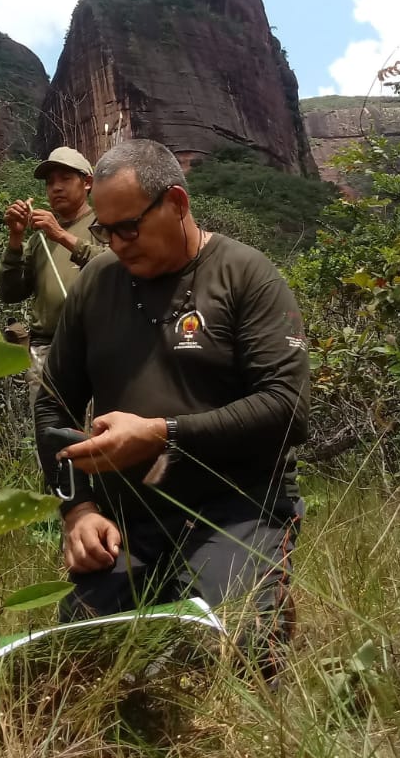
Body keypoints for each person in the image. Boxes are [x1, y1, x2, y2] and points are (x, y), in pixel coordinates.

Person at [34, 139, 309, 671]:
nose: (117, 243)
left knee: (217, 653)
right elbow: (52, 408)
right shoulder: (96, 283)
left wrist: (163, 434)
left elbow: (288, 408)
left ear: (177, 203)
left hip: (238, 505)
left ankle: (258, 596)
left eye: (129, 227)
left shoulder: (245, 275)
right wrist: (79, 510)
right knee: (82, 660)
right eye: (105, 231)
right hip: (129, 517)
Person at [0, 145, 104, 389]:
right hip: (45, 349)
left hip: (95, 345)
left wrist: (59, 234)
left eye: (65, 179)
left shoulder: (102, 224)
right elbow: (10, 293)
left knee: (95, 424)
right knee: (49, 425)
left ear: (87, 182)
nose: (56, 187)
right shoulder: (38, 239)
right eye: (50, 182)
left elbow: (116, 266)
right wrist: (15, 239)